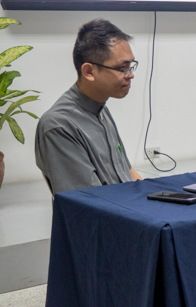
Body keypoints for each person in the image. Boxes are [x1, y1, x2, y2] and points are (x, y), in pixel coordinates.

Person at [35, 19, 142, 194]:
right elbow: (88, 204)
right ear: (89, 71)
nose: (130, 75)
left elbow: (128, 172)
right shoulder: (59, 126)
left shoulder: (101, 110)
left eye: (131, 66)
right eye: (122, 68)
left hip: (128, 208)